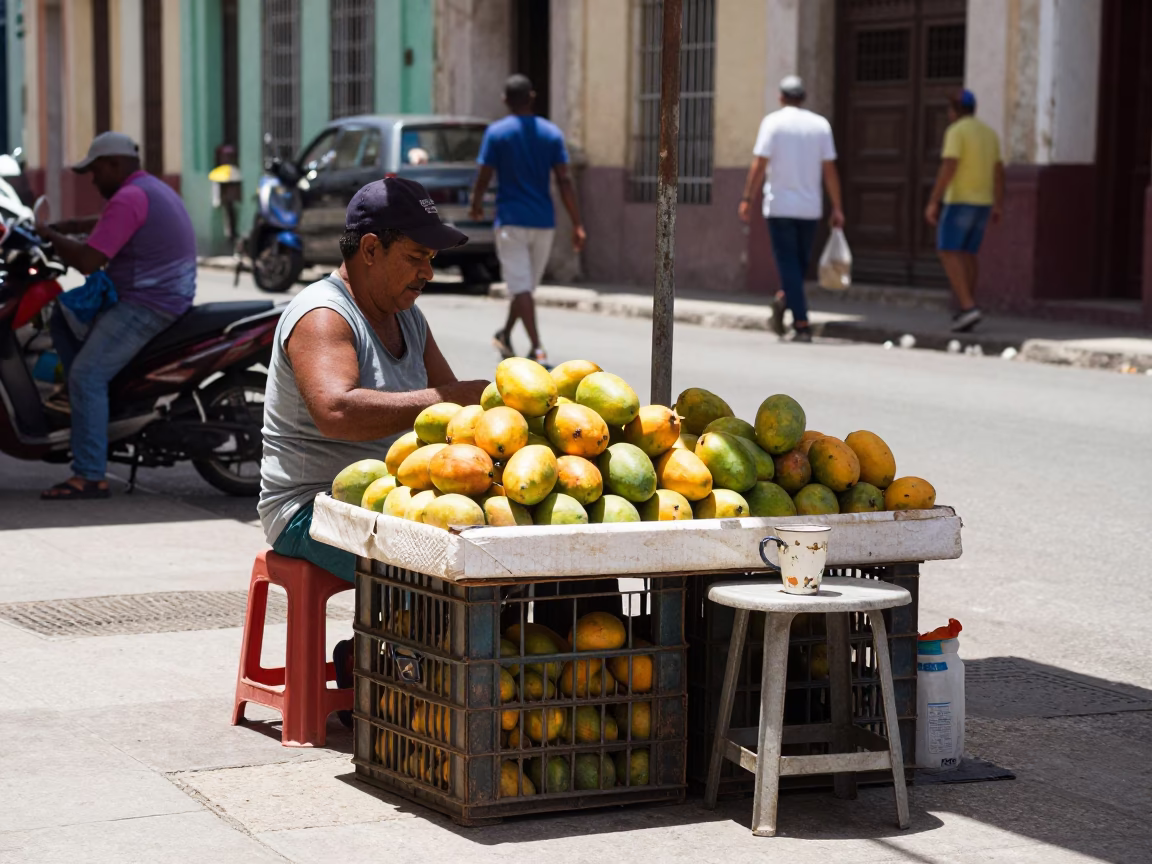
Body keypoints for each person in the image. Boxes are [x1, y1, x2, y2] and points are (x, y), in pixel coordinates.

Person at [258, 176, 489, 585]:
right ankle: (384, 650)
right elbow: (336, 412)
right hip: (313, 509)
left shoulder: (409, 319)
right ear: (369, 249)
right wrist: (446, 396)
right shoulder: (322, 314)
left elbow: (450, 417)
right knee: (432, 574)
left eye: (432, 258)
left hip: (391, 500)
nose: (428, 273)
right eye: (417, 256)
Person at [35, 131, 197, 499]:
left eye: (95, 171)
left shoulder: (129, 196)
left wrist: (48, 234)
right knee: (65, 315)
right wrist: (69, 228)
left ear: (113, 164)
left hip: (148, 304)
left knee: (87, 375)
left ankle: (90, 474)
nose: (93, 180)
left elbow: (90, 260)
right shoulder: (148, 189)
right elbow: (109, 222)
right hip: (164, 297)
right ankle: (87, 411)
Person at [469, 74, 586, 366]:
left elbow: (484, 174)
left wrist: (476, 204)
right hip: (543, 221)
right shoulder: (551, 134)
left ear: (505, 101)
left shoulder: (497, 133)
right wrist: (576, 222)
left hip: (511, 220)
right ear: (532, 97)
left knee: (523, 289)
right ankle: (529, 344)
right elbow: (565, 180)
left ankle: (519, 340)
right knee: (524, 288)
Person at [739, 75, 844, 344]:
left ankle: (797, 318)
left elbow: (759, 164)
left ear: (781, 97)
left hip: (780, 207)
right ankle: (799, 319)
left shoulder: (772, 123)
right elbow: (830, 171)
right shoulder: (819, 125)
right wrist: (837, 207)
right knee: (796, 265)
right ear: (803, 97)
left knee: (790, 267)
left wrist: (747, 198)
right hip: (810, 209)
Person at [924, 89, 1004, 332]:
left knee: (948, 251)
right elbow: (998, 170)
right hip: (983, 202)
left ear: (954, 111)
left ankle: (968, 307)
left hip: (960, 200)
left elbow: (949, 165)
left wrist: (934, 200)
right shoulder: (989, 134)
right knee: (968, 253)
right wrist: (998, 202)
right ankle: (966, 306)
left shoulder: (956, 132)